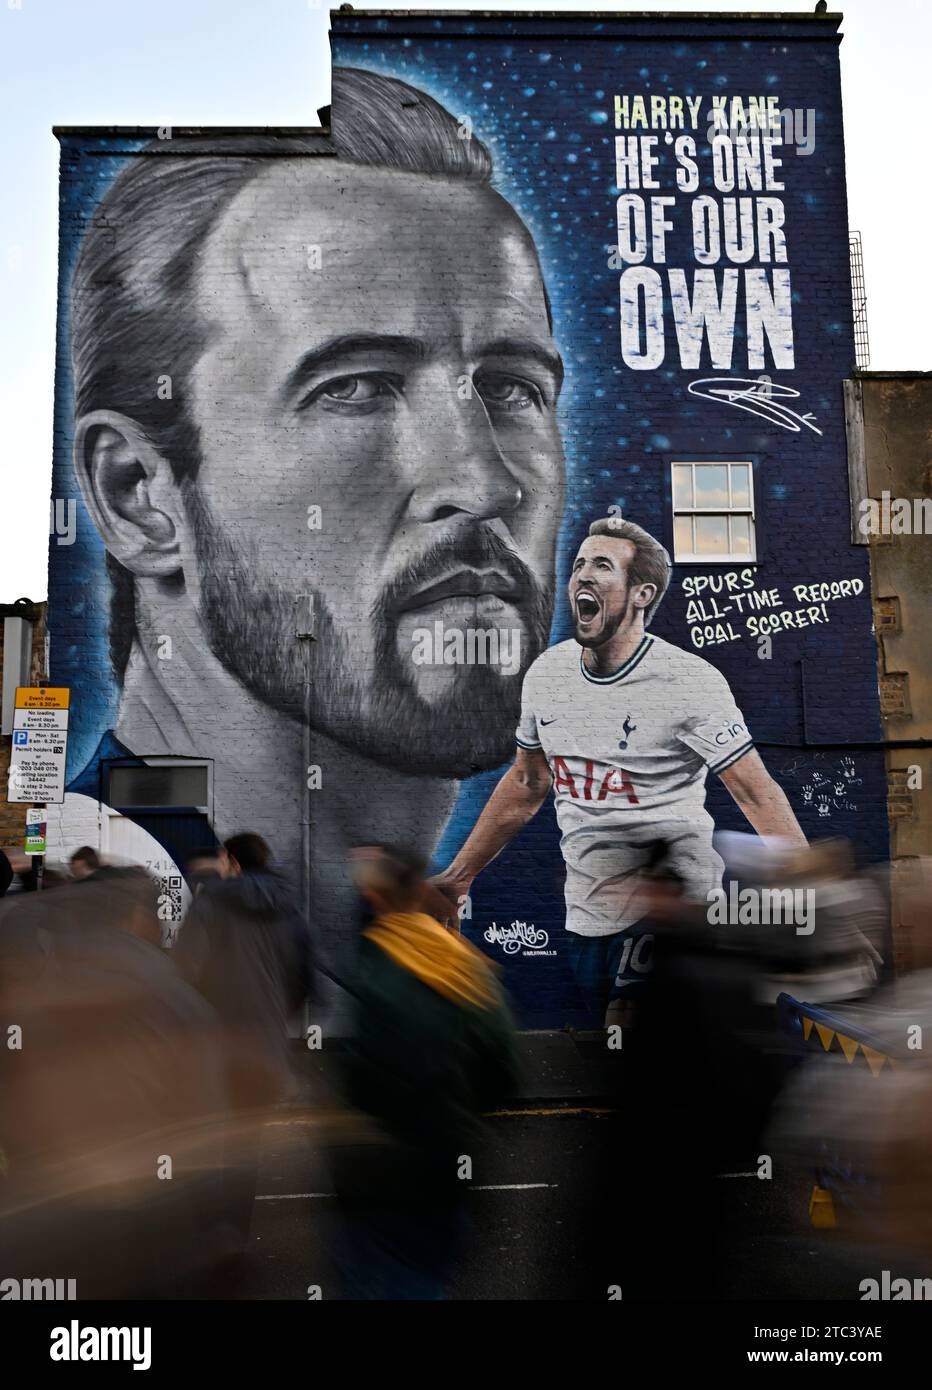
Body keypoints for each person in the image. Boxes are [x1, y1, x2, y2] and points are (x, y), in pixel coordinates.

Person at [61, 65, 564, 973]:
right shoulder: (91, 958)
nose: (485, 481)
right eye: (357, 387)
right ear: (139, 494)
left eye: (512, 387)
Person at [434, 516, 807, 1025]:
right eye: (580, 564)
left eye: (603, 566)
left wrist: (816, 893)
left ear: (640, 594)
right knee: (625, 1058)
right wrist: (460, 876)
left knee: (626, 1025)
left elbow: (756, 794)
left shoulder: (689, 682)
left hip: (673, 905)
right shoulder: (547, 675)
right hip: (587, 915)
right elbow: (527, 784)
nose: (583, 575)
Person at [332, 843, 518, 1299]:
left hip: (381, 1168)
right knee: (426, 1275)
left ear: (375, 901)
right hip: (447, 1157)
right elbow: (503, 1072)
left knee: (371, 1276)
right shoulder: (466, 965)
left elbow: (362, 1076)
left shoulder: (377, 965)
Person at [172, 832, 315, 1252]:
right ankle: (234, 1235)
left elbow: (185, 973)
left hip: (211, 1047)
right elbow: (303, 979)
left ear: (231, 861)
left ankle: (208, 1233)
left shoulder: (212, 901)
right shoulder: (287, 909)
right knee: (245, 1145)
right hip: (263, 1049)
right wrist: (274, 1016)